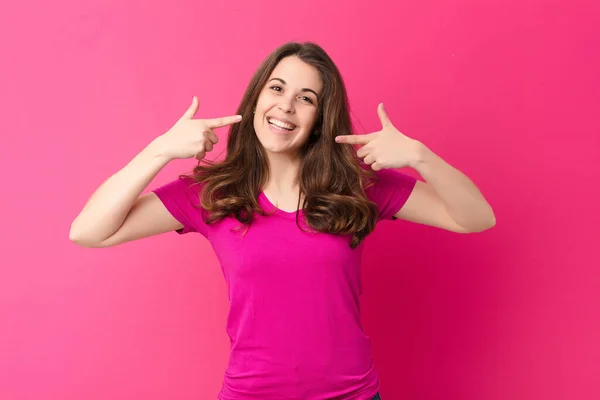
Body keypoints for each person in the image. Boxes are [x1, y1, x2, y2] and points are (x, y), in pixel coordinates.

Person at [70, 41, 495, 400]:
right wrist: (158, 151)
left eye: (306, 98)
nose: (285, 106)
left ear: (318, 121)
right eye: (277, 88)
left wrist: (420, 156)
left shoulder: (357, 187)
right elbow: (89, 232)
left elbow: (475, 218)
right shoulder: (213, 193)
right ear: (257, 98)